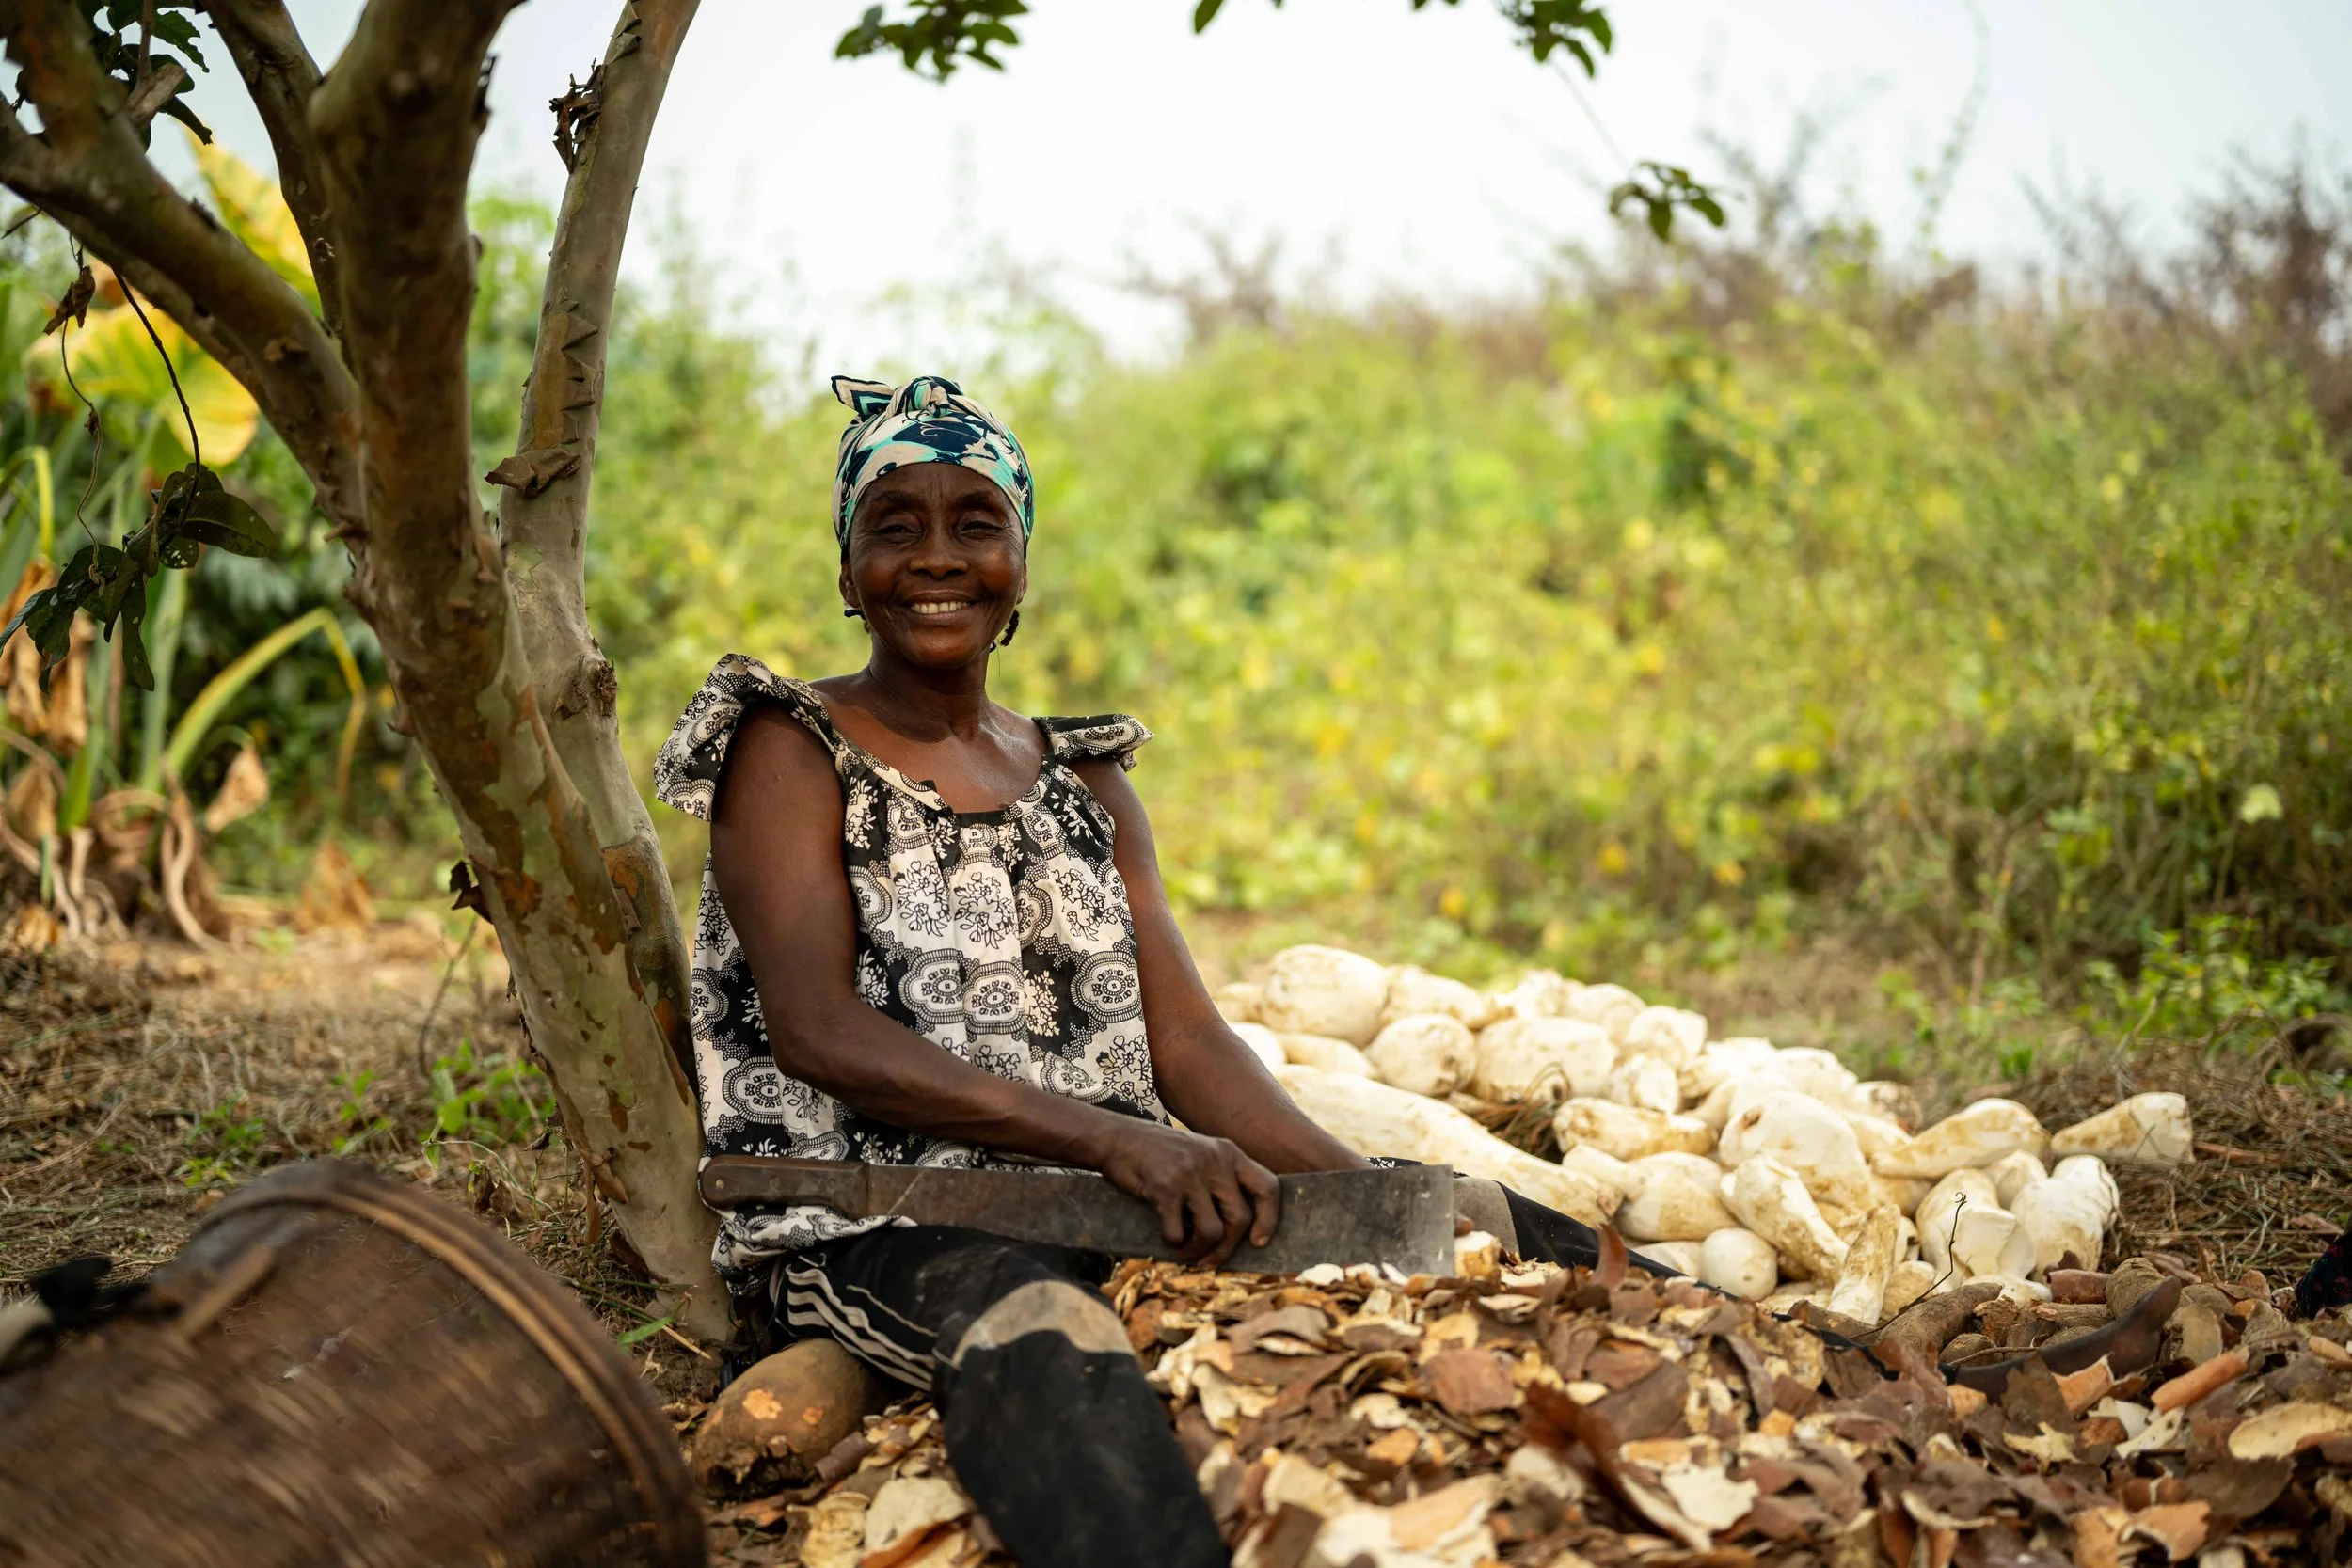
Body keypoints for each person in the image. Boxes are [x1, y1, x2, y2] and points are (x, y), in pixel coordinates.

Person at [653, 373, 1611, 1568]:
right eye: (894, 527)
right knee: (1038, 1327)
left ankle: (1777, 1346)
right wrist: (1115, 1138)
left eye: (974, 523)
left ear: (1020, 565)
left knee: (1465, 1211)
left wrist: (1358, 1189)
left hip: (1113, 1197)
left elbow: (1188, 1045)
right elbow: (817, 1029)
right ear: (848, 574)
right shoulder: (789, 745)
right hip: (872, 1213)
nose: (936, 557)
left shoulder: (1084, 779)